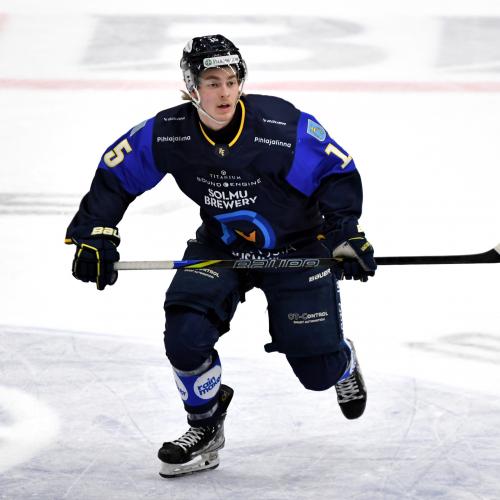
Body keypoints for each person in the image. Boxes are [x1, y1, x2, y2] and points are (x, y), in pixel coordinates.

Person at [65, 34, 377, 477]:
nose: (225, 93)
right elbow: (117, 176)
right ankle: (205, 427)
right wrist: (95, 234)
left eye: (232, 81)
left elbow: (335, 172)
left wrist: (345, 234)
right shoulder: (168, 132)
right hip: (221, 247)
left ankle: (342, 363)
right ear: (191, 88)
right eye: (213, 83)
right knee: (185, 335)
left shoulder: (281, 128)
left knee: (318, 372)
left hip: (299, 249)